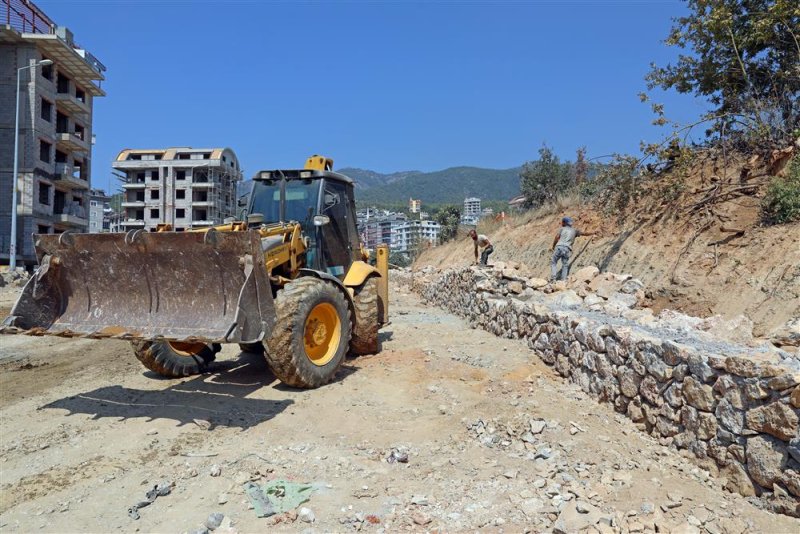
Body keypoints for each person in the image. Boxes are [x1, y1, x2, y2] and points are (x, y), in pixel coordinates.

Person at [550, 217, 596, 281]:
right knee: (565, 265)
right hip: (567, 249)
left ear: (564, 223)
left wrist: (553, 246)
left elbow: (557, 237)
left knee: (553, 262)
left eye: (562, 222)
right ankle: (563, 280)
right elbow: (584, 233)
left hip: (559, 247)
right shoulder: (575, 230)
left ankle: (553, 279)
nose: (561, 223)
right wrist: (592, 233)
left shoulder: (562, 229)